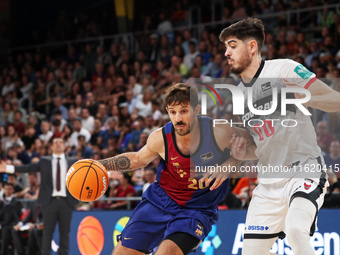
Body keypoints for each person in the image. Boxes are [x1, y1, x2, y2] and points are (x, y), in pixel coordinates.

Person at [219, 17, 340, 255]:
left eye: (232, 46)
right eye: (225, 47)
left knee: (296, 231)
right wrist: (243, 153)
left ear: (252, 46)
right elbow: (260, 146)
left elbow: (335, 100)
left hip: (303, 169)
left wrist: (299, 97)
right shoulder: (239, 95)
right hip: (268, 183)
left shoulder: (283, 69)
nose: (226, 53)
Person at [98, 83, 254, 255]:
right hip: (160, 200)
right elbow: (137, 159)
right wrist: (100, 165)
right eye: (173, 112)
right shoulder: (160, 138)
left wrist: (232, 162)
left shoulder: (219, 132)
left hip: (197, 209)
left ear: (196, 110)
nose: (178, 118)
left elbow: (257, 147)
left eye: (184, 111)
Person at [0, 137, 78, 255]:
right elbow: (28, 168)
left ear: (65, 146)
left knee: (65, 232)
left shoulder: (72, 161)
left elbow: (88, 170)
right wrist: (9, 168)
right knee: (47, 232)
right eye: (55, 142)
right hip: (49, 202)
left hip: (66, 202)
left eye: (60, 142)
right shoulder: (45, 161)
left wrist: (108, 173)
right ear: (51, 147)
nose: (58, 144)